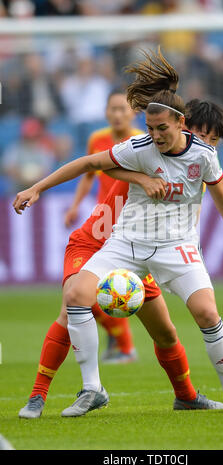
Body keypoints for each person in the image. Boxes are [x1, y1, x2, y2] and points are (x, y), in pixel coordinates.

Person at [14, 48, 223, 417]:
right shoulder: (139, 148)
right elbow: (90, 162)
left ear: (181, 124)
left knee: (206, 314)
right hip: (126, 244)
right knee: (75, 294)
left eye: (161, 129)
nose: (154, 136)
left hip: (177, 247)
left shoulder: (204, 156)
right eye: (149, 129)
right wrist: (38, 187)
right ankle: (91, 389)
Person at [64, 89, 143, 364]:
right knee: (84, 292)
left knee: (100, 290)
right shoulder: (97, 139)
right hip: (102, 221)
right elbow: (87, 175)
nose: (118, 114)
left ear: (133, 113)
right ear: (106, 112)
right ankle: (121, 344)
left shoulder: (140, 142)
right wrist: (75, 206)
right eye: (113, 109)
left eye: (124, 109)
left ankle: (125, 346)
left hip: (129, 222)